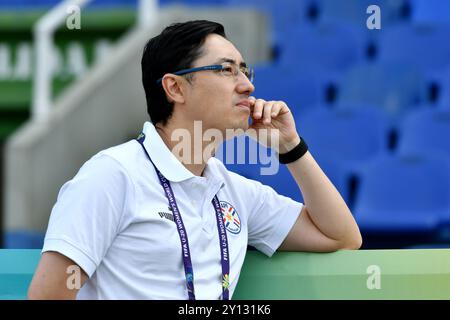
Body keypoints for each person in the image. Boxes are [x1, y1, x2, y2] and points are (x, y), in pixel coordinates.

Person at [28, 20, 362, 300]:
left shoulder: (231, 190)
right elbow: (47, 295)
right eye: (226, 70)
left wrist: (290, 147)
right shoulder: (113, 175)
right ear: (175, 88)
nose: (247, 86)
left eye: (245, 71)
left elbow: (342, 236)